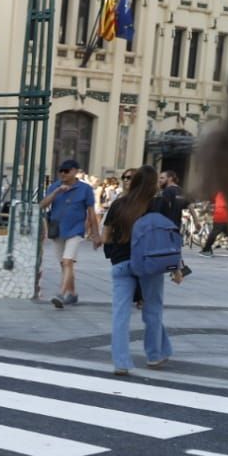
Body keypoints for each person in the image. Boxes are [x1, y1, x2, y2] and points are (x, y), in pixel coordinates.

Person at [99, 165, 179, 375]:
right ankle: (153, 356)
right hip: (148, 264)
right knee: (152, 310)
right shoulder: (158, 204)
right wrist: (176, 268)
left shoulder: (118, 204)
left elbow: (105, 237)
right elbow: (168, 239)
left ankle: (121, 363)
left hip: (121, 263)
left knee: (120, 314)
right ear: (154, 184)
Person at [41, 158, 103, 306]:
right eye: (61, 171)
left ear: (75, 172)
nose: (63, 174)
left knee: (68, 261)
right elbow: (42, 205)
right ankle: (72, 293)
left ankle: (61, 294)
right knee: (64, 264)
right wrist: (56, 191)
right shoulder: (54, 186)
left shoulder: (85, 189)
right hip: (57, 230)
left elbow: (91, 213)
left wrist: (96, 235)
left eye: (66, 171)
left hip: (75, 230)